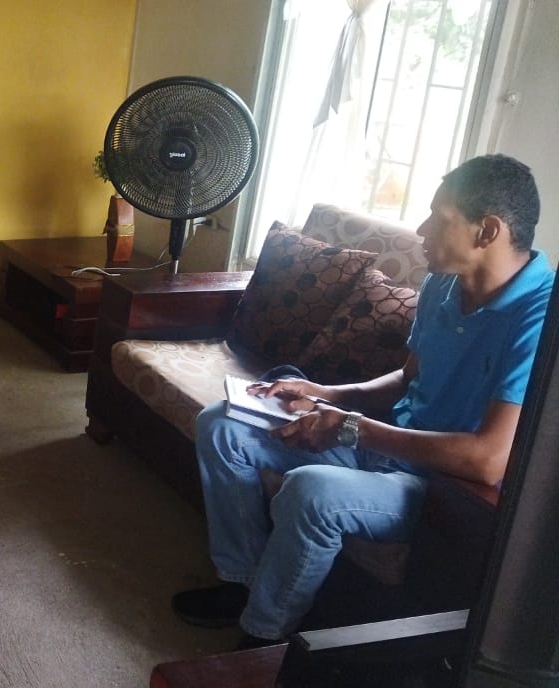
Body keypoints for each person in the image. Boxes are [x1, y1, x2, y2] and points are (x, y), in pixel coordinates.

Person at [171, 155, 554, 647]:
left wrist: (352, 426)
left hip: (440, 490)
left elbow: (487, 459)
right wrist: (326, 394)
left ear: (488, 231)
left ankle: (263, 636)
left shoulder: (541, 318)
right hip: (381, 442)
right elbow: (408, 377)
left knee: (311, 492)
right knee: (222, 425)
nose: (422, 230)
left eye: (439, 218)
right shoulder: (442, 283)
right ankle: (244, 582)